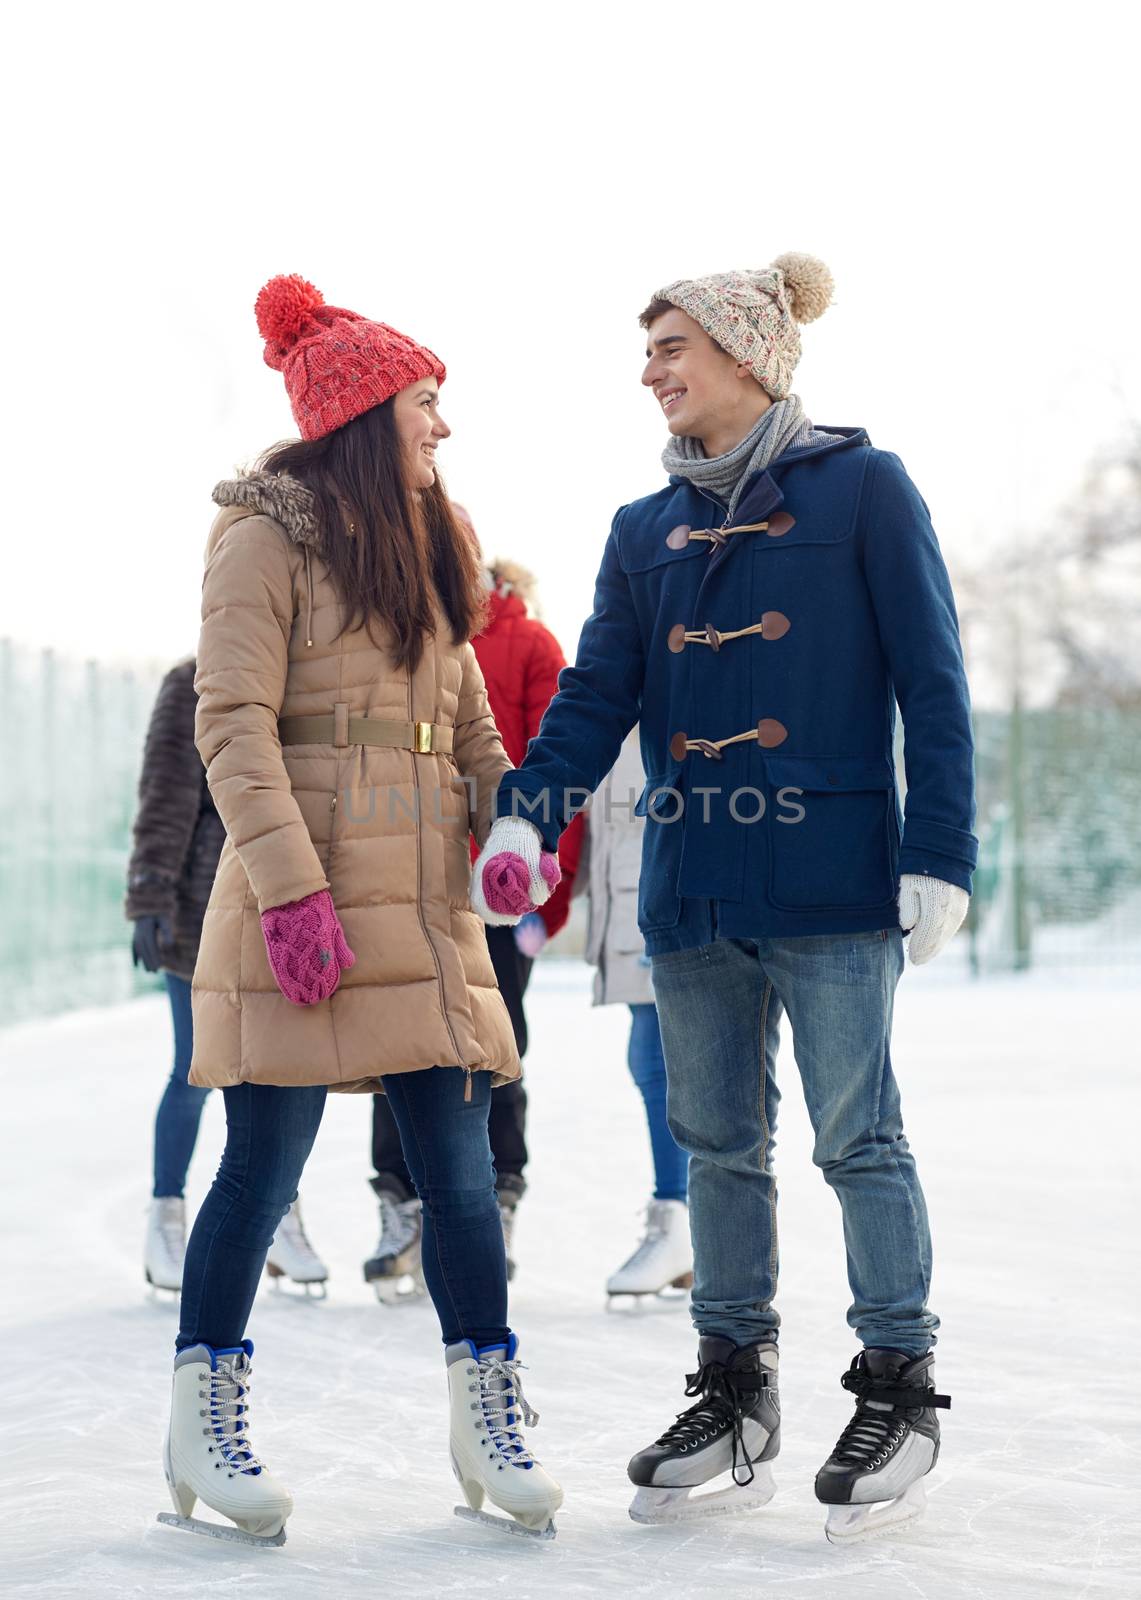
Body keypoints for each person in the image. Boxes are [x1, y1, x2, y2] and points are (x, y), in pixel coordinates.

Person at [470, 254, 973, 1541]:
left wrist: (940, 853)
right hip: (693, 882)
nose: (649, 371)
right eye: (646, 351)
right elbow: (593, 697)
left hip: (833, 876)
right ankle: (735, 1383)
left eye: (669, 346)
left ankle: (898, 1385)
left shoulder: (866, 490)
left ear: (748, 355)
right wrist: (531, 809)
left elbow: (933, 682)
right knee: (715, 1144)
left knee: (858, 1137)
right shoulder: (645, 530)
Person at [161, 274, 563, 1545]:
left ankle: (487, 1419)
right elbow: (230, 724)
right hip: (310, 896)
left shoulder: (439, 537)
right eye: (425, 404)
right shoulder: (262, 538)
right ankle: (202, 1424)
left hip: (426, 907)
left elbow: (475, 721)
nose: (443, 428)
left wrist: (506, 822)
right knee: (262, 1166)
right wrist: (289, 891)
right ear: (365, 410)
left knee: (457, 1172)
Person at [366, 533, 583, 1295]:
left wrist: (544, 882)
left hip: (497, 890)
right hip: (409, 875)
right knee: (399, 1035)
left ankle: (496, 1194)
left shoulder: (528, 642)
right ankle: (400, 1202)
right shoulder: (395, 628)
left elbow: (556, 765)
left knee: (493, 1040)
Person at [126, 661, 327, 1295]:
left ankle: (280, 1219)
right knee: (194, 1069)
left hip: (276, 910)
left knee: (279, 1071)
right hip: (198, 914)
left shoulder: (299, 680)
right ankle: (166, 1219)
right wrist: (150, 895)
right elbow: (164, 796)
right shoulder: (189, 683)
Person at [582, 729, 691, 1302]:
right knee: (653, 1061)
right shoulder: (617, 695)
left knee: (663, 1062)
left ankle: (683, 1222)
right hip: (633, 904)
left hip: (667, 901)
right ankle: (684, 1222)